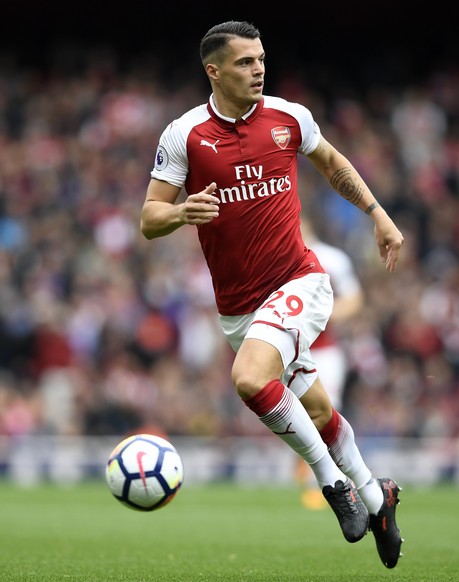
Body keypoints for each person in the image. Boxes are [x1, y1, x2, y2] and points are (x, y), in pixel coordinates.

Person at [140, 20, 404, 569]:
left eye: (260, 59)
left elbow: (332, 162)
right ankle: (379, 501)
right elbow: (148, 217)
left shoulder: (289, 117)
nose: (258, 68)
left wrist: (377, 215)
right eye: (244, 62)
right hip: (237, 307)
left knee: (248, 379)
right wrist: (181, 213)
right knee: (316, 408)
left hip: (299, 282)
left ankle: (334, 487)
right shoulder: (183, 134)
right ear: (213, 70)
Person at [295, 216, 365, 510]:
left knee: (325, 412)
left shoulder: (332, 259)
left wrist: (324, 315)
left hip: (324, 352)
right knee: (293, 413)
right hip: (290, 350)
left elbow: (354, 299)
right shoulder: (276, 257)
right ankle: (310, 476)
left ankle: (328, 481)